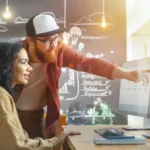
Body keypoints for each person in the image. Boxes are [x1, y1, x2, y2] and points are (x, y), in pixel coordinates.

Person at [16, 14, 149, 139]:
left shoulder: (59, 51)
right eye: (47, 41)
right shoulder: (13, 53)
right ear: (30, 41)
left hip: (34, 116)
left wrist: (126, 74)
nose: (54, 45)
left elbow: (88, 63)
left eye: (56, 38)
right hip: (8, 114)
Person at [0, 42, 80, 150]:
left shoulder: (4, 95)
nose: (30, 68)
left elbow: (21, 140)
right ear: (6, 64)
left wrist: (58, 139)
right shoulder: (2, 97)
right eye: (23, 62)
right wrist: (59, 139)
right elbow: (17, 146)